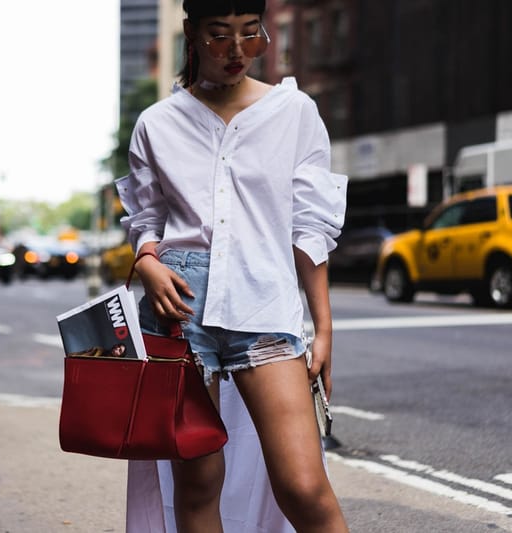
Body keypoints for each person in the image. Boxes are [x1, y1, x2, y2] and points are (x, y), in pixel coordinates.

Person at [116, 0, 349, 531]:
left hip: (264, 308)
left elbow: (310, 227)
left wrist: (324, 326)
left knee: (303, 485)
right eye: (220, 35)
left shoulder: (294, 113)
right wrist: (147, 260)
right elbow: (145, 218)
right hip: (176, 312)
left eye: (250, 33)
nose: (237, 50)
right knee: (198, 486)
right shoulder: (157, 123)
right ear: (192, 35)